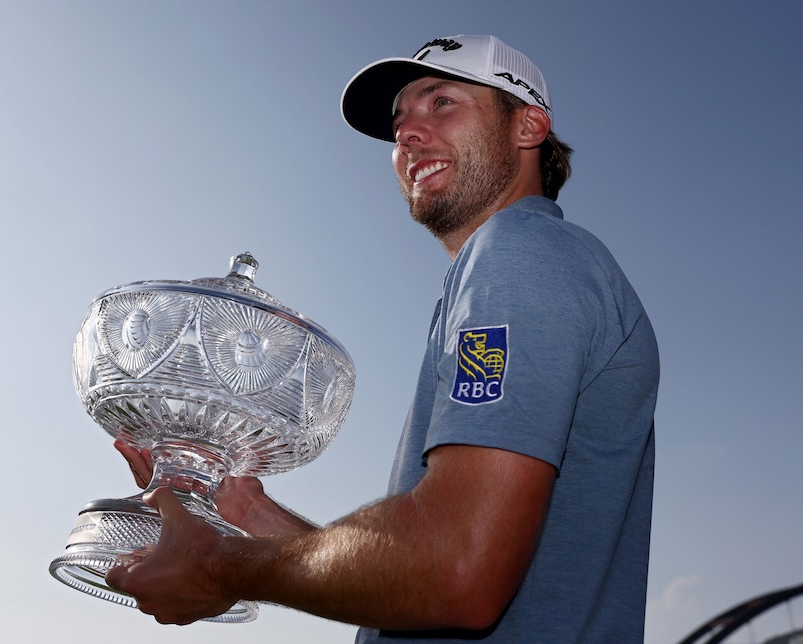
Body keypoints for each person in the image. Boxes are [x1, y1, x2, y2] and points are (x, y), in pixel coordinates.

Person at [106, 34, 659, 642]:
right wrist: (241, 509)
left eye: (442, 102)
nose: (408, 134)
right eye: (401, 122)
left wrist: (216, 569)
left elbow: (455, 572)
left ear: (528, 126)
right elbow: (412, 580)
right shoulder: (514, 268)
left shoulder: (521, 254)